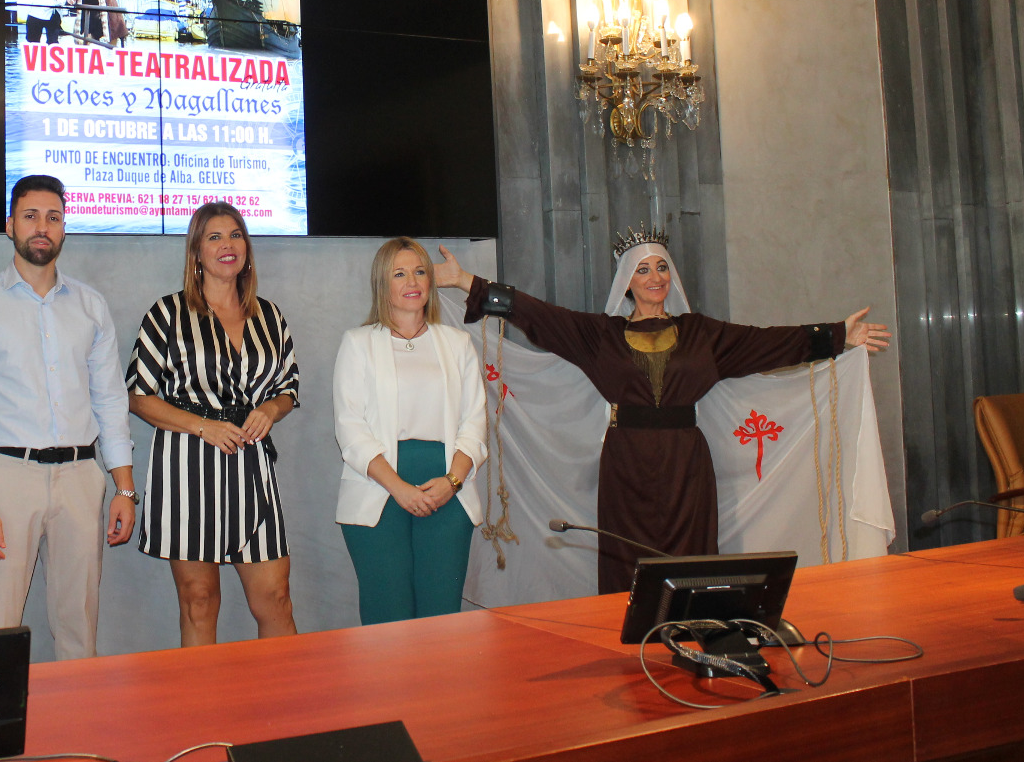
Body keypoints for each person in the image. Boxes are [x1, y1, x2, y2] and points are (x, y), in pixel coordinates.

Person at [433, 228, 891, 594]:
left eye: (662, 267)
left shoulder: (702, 334)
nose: (655, 277)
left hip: (685, 466)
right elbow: (537, 314)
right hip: (626, 466)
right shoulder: (600, 336)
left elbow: (768, 342)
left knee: (690, 561)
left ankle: (693, 637)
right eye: (643, 269)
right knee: (626, 561)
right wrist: (465, 281)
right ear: (627, 282)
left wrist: (837, 335)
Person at [0, 174, 137, 660]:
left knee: (79, 628)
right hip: (6, 479)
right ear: (10, 226)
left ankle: (78, 711)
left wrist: (124, 488)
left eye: (53, 217)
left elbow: (111, 401)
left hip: (80, 477)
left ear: (64, 228)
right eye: (31, 216)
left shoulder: (91, 306)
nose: (42, 227)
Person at [126, 201, 299, 646]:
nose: (228, 245)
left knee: (276, 599)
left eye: (236, 235)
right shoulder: (167, 314)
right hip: (187, 466)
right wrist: (203, 425)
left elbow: (288, 387)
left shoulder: (270, 316)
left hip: (251, 468)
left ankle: (289, 693)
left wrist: (270, 410)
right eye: (214, 237)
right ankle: (200, 694)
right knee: (199, 600)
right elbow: (138, 396)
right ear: (196, 252)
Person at [333, 238, 487, 624]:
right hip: (379, 491)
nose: (412, 281)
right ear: (381, 284)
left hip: (446, 490)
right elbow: (350, 428)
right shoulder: (357, 343)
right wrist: (399, 488)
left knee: (442, 618)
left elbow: (475, 421)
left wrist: (453, 481)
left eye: (420, 271)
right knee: (389, 618)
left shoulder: (457, 344)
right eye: (399, 274)